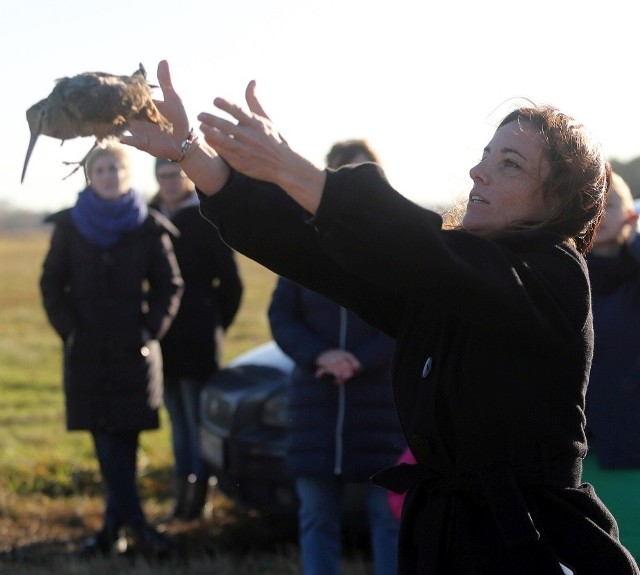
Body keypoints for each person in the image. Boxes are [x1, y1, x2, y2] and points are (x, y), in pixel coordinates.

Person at [122, 60, 640, 574]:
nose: (478, 170)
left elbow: (421, 250)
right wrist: (193, 154)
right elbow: (319, 254)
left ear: (559, 200)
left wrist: (289, 167)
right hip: (444, 540)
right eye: (486, 156)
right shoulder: (452, 280)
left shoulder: (555, 277)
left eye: (510, 163)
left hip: (535, 545)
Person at [40, 143, 183, 556]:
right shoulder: (70, 227)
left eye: (114, 169)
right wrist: (69, 330)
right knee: (105, 442)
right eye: (99, 169)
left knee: (125, 442)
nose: (107, 176)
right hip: (86, 353)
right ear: (90, 176)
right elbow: (52, 284)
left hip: (132, 354)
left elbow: (169, 285)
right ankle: (137, 528)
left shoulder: (149, 227)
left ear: (126, 174)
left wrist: (149, 329)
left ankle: (112, 532)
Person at [268, 140, 403, 575]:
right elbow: (282, 315)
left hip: (381, 407)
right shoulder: (300, 247)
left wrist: (360, 361)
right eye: (346, 175)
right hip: (316, 405)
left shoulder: (400, 249)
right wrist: (321, 355)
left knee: (389, 519)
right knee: (316, 517)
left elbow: (406, 322)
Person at [149, 157, 243, 521]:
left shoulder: (206, 217)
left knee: (195, 422)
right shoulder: (152, 216)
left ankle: (197, 500)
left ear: (187, 178)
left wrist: (214, 322)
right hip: (162, 338)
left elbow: (231, 284)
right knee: (176, 418)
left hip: (199, 337)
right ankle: (181, 496)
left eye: (174, 174)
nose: (169, 181)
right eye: (162, 175)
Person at [585, 172, 640, 469]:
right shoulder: (564, 273)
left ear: (630, 215)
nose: (601, 212)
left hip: (631, 443)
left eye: (612, 204)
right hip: (583, 445)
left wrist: (634, 241)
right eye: (594, 203)